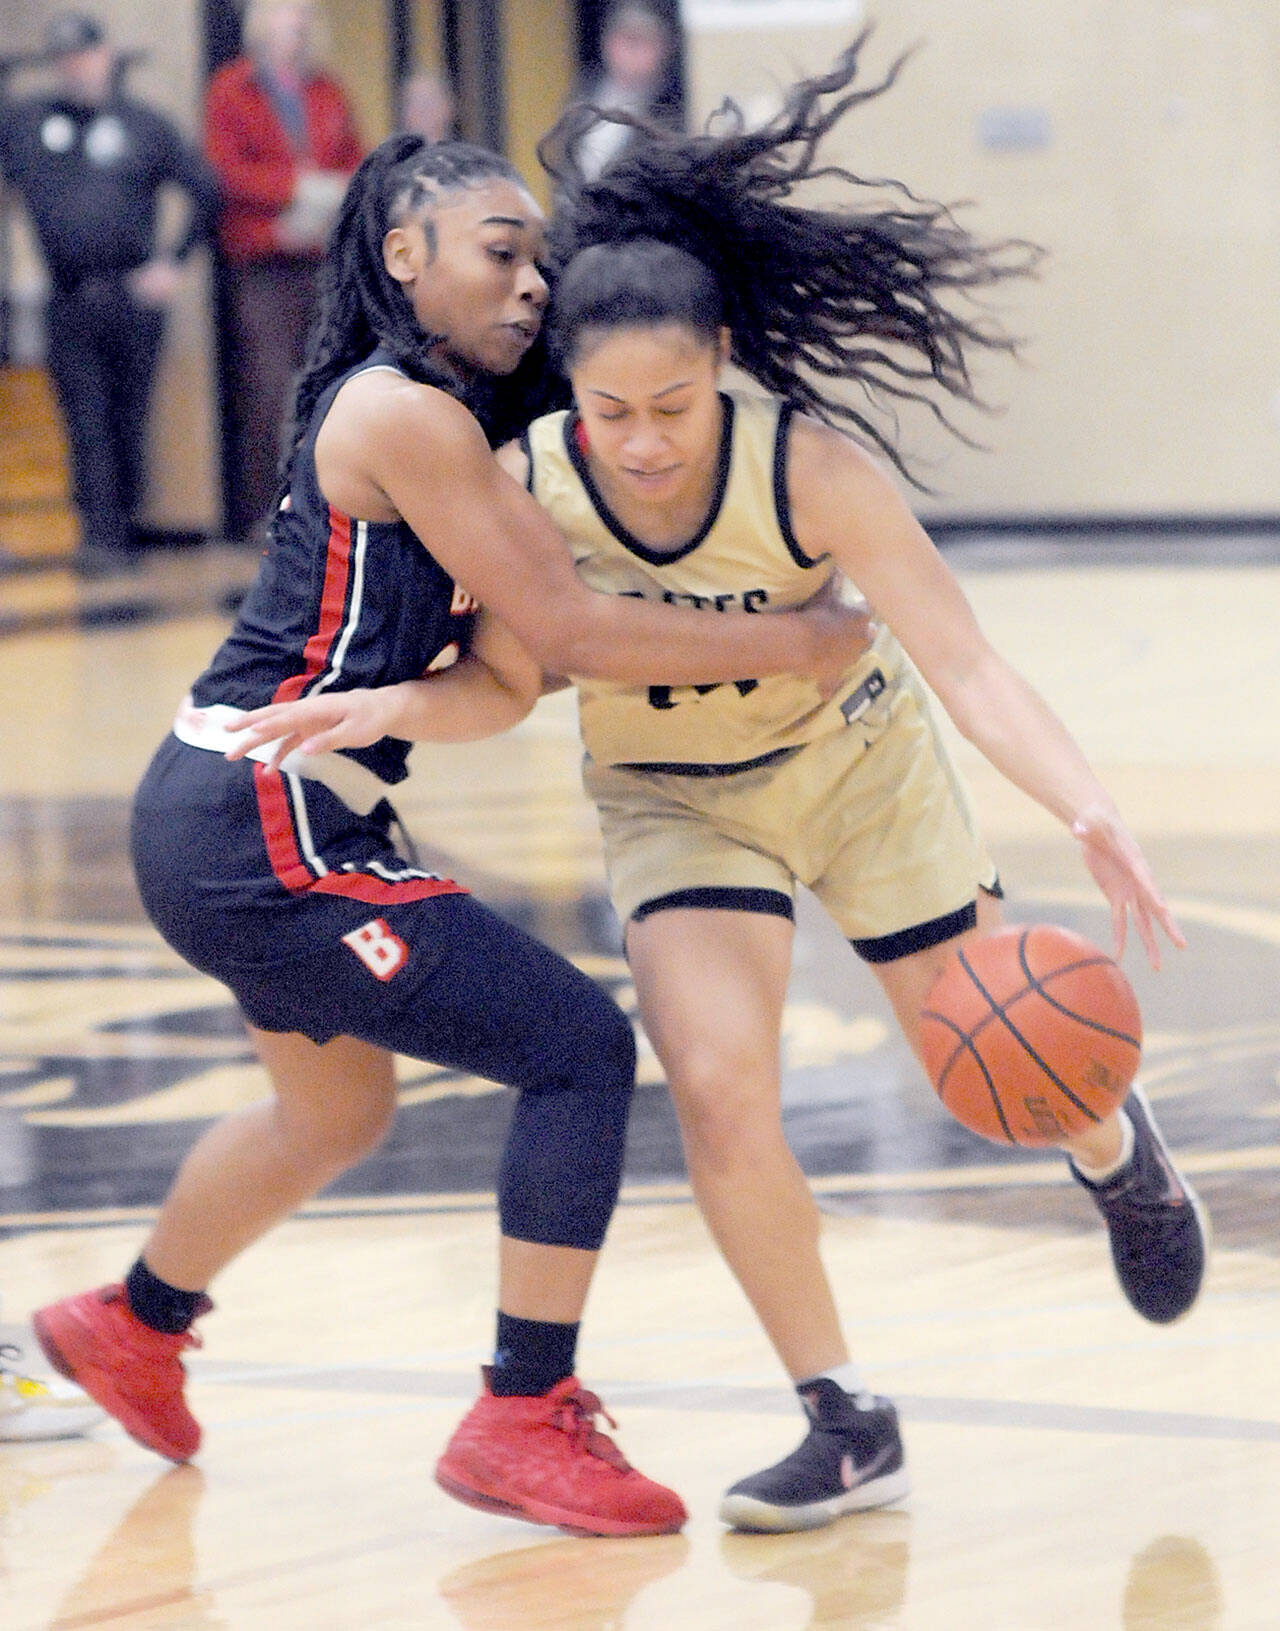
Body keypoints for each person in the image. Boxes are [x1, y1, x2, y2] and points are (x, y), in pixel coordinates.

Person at [285, 39, 1209, 1531]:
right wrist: (396, 702)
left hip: (861, 771)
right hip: (676, 799)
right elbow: (517, 684)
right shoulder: (531, 485)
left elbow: (966, 665)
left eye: (671, 404)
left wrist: (1083, 800)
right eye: (608, 411)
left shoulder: (813, 471)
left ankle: (1114, 1144)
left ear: (720, 362)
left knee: (989, 1069)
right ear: (567, 392)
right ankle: (844, 1415)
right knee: (718, 1089)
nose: (641, 442)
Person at [28, 133, 869, 1539]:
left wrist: (410, 699)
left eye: (542, 257)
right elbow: (579, 629)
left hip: (251, 801)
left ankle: (132, 1321)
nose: (533, 281)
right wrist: (806, 637)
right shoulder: (400, 413)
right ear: (403, 254)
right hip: (262, 818)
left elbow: (502, 682)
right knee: (577, 1045)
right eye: (502, 248)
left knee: (335, 1109)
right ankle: (522, 1410)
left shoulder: (456, 433)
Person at [0, 10, 219, 578]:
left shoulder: (143, 124)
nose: (77, 69)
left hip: (131, 298)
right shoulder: (27, 125)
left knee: (129, 418)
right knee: (83, 420)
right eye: (65, 60)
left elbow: (205, 191)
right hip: (69, 296)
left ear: (106, 58)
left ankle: (123, 529)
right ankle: (98, 537)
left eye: (86, 56)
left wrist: (171, 264)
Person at [204, 0, 363, 549]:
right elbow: (224, 171)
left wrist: (330, 194)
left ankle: (328, 505)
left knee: (329, 382)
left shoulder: (326, 89)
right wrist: (294, 188)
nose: (289, 28)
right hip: (265, 258)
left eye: (298, 18)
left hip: (322, 257)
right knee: (271, 388)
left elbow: (352, 159)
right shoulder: (231, 89)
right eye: (279, 16)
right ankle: (264, 512)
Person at [567, 2, 680, 181]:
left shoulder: (674, 112)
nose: (631, 50)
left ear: (665, 47)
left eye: (644, 40)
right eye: (625, 37)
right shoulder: (580, 96)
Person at [398, 70, 456, 144]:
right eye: (415, 104)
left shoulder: (465, 154)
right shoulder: (393, 154)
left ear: (447, 108)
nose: (422, 112)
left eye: (428, 103)